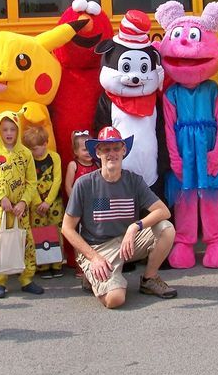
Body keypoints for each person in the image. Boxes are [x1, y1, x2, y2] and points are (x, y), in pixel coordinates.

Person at [62, 126, 177, 309]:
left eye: (116, 148)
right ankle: (93, 276)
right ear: (97, 152)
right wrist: (94, 258)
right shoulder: (84, 184)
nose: (111, 154)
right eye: (106, 149)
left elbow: (163, 211)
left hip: (127, 242)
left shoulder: (134, 180)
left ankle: (149, 279)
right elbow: (67, 228)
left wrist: (135, 227)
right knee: (115, 300)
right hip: (98, 248)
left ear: (124, 151)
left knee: (166, 229)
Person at [0, 110, 44, 298]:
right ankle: (0, 282)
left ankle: (27, 279)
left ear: (18, 131)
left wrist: (24, 201)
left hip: (21, 210)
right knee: (2, 242)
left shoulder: (25, 154)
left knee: (26, 242)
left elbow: (32, 181)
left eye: (12, 129)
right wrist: (1, 198)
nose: (8, 133)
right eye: (4, 129)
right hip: (1, 211)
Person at [23, 126, 64, 278]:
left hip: (54, 203)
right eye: (30, 149)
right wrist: (38, 202)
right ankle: (43, 265)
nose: (32, 152)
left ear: (45, 143)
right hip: (36, 205)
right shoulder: (28, 161)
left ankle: (57, 263)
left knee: (56, 231)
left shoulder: (54, 157)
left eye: (35, 148)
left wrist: (48, 201)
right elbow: (29, 182)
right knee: (39, 233)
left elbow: (57, 179)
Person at [62, 129, 97, 273]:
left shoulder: (97, 165)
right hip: (79, 206)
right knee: (79, 236)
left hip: (95, 206)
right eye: (84, 149)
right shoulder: (73, 165)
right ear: (76, 151)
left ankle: (95, 261)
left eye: (90, 149)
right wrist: (76, 204)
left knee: (94, 234)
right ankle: (80, 267)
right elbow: (68, 186)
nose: (88, 152)